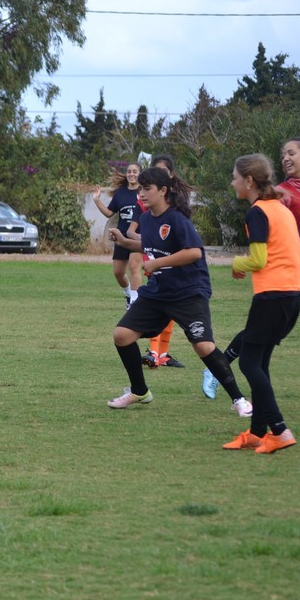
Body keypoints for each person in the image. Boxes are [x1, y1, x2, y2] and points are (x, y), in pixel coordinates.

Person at [203, 137, 300, 404]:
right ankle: (215, 371)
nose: (285, 158)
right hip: (287, 270)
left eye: (291, 153)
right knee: (261, 331)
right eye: (282, 155)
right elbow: (280, 231)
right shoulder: (281, 193)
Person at [106, 167, 252, 417]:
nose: (141, 194)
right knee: (122, 336)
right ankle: (139, 391)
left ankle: (239, 400)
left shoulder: (176, 218)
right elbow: (148, 244)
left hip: (188, 292)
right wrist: (123, 241)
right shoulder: (148, 219)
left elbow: (194, 252)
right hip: (159, 292)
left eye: (147, 189)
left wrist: (157, 264)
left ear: (163, 190)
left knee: (203, 346)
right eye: (140, 189)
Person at [222, 154, 300, 454]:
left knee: (248, 362)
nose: (233, 183)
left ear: (249, 181)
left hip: (272, 296)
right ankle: (258, 433)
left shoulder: (257, 212)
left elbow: (258, 260)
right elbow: (299, 254)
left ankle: (279, 430)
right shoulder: (281, 210)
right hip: (291, 296)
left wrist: (236, 263)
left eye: (235, 177)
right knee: (260, 363)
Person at [141, 154, 191, 369]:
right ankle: (153, 351)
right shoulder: (148, 197)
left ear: (171, 174)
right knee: (157, 304)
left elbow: (189, 244)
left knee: (171, 310)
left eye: (163, 171)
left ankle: (162, 353)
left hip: (175, 264)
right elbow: (143, 227)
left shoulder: (178, 202)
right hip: (155, 259)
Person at [92, 162, 143, 310]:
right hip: (121, 238)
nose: (131, 174)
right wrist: (96, 200)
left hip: (137, 237)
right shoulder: (121, 193)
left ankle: (134, 303)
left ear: (140, 174)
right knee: (118, 272)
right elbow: (109, 213)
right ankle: (128, 296)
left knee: (134, 267)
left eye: (135, 171)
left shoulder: (144, 192)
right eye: (129, 171)